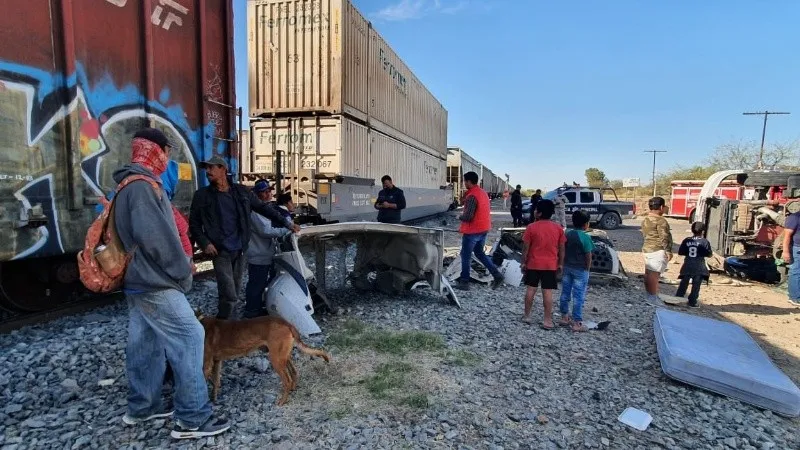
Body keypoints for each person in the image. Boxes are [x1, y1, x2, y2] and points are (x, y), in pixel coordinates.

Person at [113, 128, 229, 439]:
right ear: (156, 151)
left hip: (138, 280)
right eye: (166, 151)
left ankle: (143, 406)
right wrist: (183, 271)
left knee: (146, 343)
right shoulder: (143, 188)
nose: (168, 158)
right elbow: (160, 242)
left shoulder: (127, 184)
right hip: (155, 281)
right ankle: (192, 419)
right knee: (192, 336)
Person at [189, 155, 299, 319]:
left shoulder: (242, 192)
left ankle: (228, 325)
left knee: (235, 289)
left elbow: (264, 209)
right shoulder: (202, 195)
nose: (208, 171)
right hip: (219, 251)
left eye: (212, 167)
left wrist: (288, 224)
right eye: (206, 168)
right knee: (229, 292)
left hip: (240, 249)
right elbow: (194, 224)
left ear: (223, 169)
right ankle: (227, 327)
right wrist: (205, 243)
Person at [244, 179, 292, 318]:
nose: (268, 194)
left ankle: (257, 307)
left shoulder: (263, 209)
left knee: (260, 283)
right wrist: (287, 228)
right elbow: (266, 231)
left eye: (269, 191)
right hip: (258, 254)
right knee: (256, 284)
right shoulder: (256, 211)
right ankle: (252, 312)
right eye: (264, 192)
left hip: (263, 252)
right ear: (257, 194)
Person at [455, 171, 504, 291]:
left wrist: (459, 217)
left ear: (468, 181)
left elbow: (468, 217)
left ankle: (464, 282)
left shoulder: (472, 196)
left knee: (465, 255)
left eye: (464, 181)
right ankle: (497, 276)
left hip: (473, 230)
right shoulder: (482, 193)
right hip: (483, 229)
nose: (464, 183)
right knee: (479, 253)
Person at [521, 200, 566, 329]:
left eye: (536, 210)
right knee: (547, 292)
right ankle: (547, 320)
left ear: (539, 213)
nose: (534, 211)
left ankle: (527, 316)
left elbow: (525, 248)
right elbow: (562, 248)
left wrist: (523, 262)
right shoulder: (558, 228)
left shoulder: (531, 227)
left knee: (531, 289)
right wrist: (561, 264)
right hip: (550, 266)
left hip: (533, 264)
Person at [558, 210, 594, 332]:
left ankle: (564, 317)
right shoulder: (586, 237)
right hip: (580, 270)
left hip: (567, 268)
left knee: (565, 293)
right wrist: (587, 269)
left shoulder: (567, 234)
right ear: (586, 224)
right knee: (578, 296)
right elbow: (588, 255)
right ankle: (577, 323)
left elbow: (562, 250)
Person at [641, 196, 673, 305]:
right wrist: (668, 250)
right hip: (657, 249)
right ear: (661, 207)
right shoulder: (661, 221)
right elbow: (664, 237)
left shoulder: (646, 219)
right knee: (654, 275)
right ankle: (652, 299)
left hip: (647, 248)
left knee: (648, 273)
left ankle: (649, 296)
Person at [676, 221, 712, 308]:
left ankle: (678, 298)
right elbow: (709, 254)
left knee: (684, 283)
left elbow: (680, 252)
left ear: (692, 230)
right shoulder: (704, 242)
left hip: (687, 264)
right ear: (703, 231)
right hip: (699, 266)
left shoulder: (687, 240)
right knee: (696, 285)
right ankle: (692, 302)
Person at [783, 210, 800, 306]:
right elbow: (786, 236)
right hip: (797, 248)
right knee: (796, 272)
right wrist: (785, 251)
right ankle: (794, 298)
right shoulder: (795, 217)